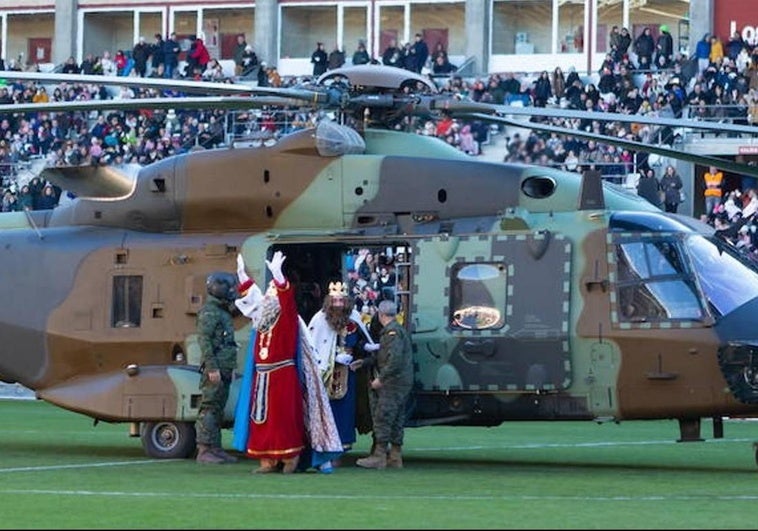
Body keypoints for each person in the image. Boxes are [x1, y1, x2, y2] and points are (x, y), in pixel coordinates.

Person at [232, 251, 343, 473]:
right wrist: (243, 276)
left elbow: (286, 300)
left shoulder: (287, 317)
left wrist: (279, 277)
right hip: (262, 375)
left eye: (273, 292)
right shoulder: (261, 316)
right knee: (261, 419)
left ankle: (290, 458)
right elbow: (253, 300)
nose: (269, 296)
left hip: (282, 375)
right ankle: (267, 460)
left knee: (283, 419)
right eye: (269, 291)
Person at [308, 280, 379, 470]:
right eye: (335, 301)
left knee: (345, 412)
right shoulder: (319, 319)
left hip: (348, 374)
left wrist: (365, 347)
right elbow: (313, 344)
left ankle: (341, 449)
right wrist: (333, 357)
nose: (338, 305)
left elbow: (358, 342)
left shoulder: (353, 318)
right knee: (328, 411)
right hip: (326, 374)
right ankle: (326, 448)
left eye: (341, 301)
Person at [354, 300, 413, 470]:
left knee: (383, 417)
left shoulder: (391, 333)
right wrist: (364, 362)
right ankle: (395, 456)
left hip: (393, 383)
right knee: (396, 419)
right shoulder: (397, 331)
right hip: (401, 383)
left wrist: (381, 379)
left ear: (380, 315)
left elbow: (393, 360)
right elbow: (384, 356)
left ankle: (379, 455)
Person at [194, 271, 240, 465]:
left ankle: (215, 448)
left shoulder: (222, 310)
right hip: (216, 367)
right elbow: (204, 340)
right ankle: (204, 449)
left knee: (218, 408)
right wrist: (212, 367)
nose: (232, 291)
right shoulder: (210, 311)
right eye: (229, 288)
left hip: (224, 366)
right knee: (210, 407)